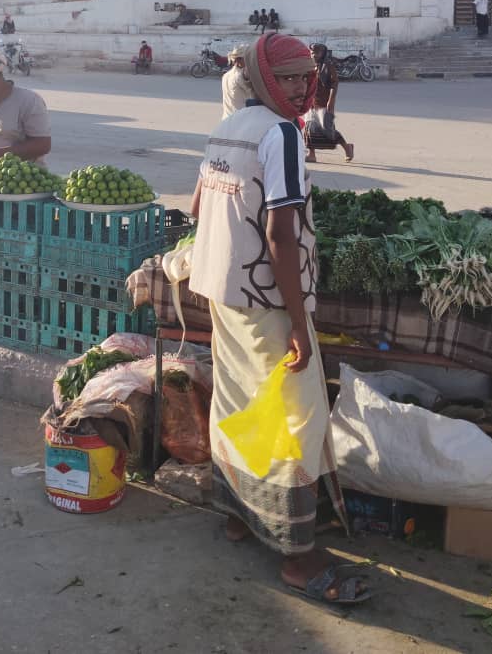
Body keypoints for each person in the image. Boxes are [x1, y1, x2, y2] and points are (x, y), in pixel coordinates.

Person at [188, 33, 371, 606]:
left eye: (303, 78)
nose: (298, 87)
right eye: (286, 78)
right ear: (265, 79)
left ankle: (240, 516)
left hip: (222, 292)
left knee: (238, 401)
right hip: (266, 301)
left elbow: (198, 205)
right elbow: (280, 234)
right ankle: (297, 553)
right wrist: (297, 321)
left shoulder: (229, 126)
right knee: (294, 416)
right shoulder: (282, 134)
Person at [305, 44, 354, 163]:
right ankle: (311, 154)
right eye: (312, 52)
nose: (313, 55)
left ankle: (347, 147)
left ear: (323, 53)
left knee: (328, 129)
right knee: (310, 128)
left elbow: (334, 83)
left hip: (324, 102)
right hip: (311, 101)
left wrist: (331, 101)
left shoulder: (328, 65)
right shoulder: (311, 65)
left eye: (317, 52)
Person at [221, 45, 252, 117]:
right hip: (240, 119)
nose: (250, 60)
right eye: (248, 58)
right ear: (238, 60)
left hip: (227, 118)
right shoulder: (241, 76)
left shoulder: (226, 75)